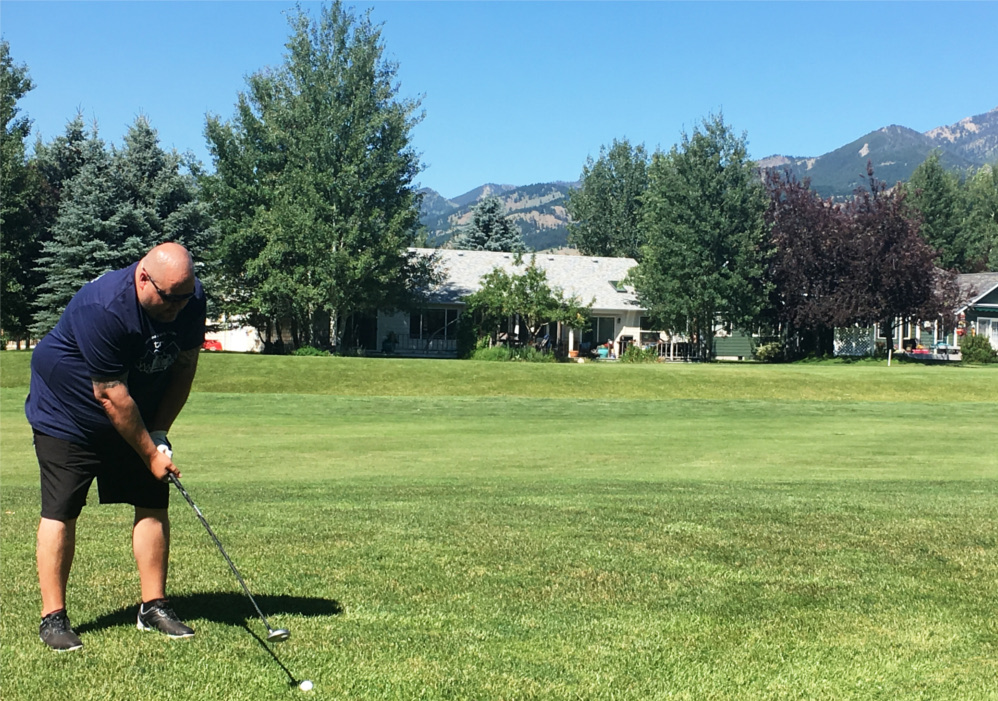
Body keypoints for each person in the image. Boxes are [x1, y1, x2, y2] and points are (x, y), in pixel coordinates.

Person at [25, 242, 206, 652]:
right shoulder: (104, 306)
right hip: (67, 412)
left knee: (152, 498)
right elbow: (109, 394)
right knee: (61, 508)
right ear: (144, 278)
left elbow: (184, 367)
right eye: (169, 298)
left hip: (133, 412)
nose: (178, 306)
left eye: (184, 296)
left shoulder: (188, 297)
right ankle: (53, 618)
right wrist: (149, 453)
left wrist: (158, 434)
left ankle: (153, 606)